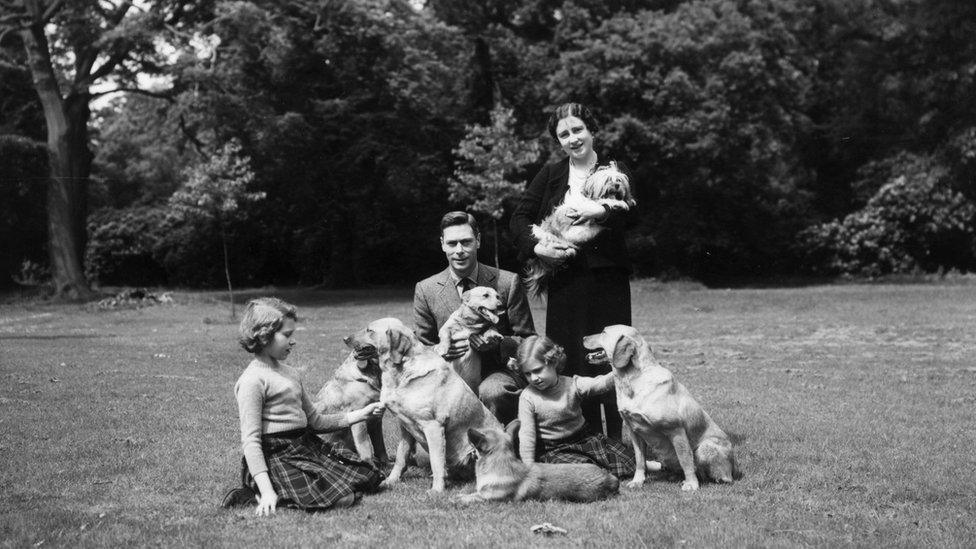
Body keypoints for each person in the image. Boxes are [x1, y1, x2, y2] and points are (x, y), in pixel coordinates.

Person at [510, 102, 633, 439]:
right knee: (574, 358)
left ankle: (620, 438)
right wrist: (538, 248)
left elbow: (631, 214)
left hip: (608, 279)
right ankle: (586, 436)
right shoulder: (550, 174)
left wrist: (598, 213)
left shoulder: (615, 168)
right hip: (565, 280)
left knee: (614, 356)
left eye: (577, 130)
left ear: (591, 131)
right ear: (558, 141)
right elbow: (518, 219)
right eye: (564, 134)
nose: (572, 138)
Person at [221, 298, 386, 515]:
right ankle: (254, 494)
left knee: (368, 478)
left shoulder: (291, 373)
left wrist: (360, 414)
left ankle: (293, 487)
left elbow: (316, 421)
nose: (293, 341)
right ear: (263, 336)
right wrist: (267, 491)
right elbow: (251, 442)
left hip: (305, 446)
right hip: (275, 456)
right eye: (287, 335)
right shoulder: (252, 380)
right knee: (344, 498)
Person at [414, 211, 536, 425]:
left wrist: (498, 345)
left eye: (466, 242)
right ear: (442, 244)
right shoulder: (426, 289)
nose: (459, 251)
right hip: (449, 376)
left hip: (496, 371)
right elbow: (421, 346)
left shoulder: (507, 282)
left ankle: (501, 444)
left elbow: (529, 341)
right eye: (452, 244)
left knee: (493, 391)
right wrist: (441, 349)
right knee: (424, 460)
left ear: (478, 241)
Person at [513, 335, 635, 479]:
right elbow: (527, 435)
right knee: (577, 469)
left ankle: (644, 465)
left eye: (538, 370)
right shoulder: (528, 397)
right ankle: (600, 473)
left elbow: (599, 384)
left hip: (585, 440)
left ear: (553, 362)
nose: (534, 378)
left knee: (624, 457)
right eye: (528, 374)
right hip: (555, 449)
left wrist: (618, 371)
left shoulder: (572, 384)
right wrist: (528, 467)